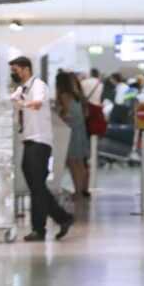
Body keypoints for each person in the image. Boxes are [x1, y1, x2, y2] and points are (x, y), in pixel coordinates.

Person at [10, 56, 74, 242]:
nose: (14, 74)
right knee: (36, 186)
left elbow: (37, 103)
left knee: (37, 187)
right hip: (29, 140)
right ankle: (62, 217)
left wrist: (22, 104)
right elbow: (10, 101)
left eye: (16, 70)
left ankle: (39, 229)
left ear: (26, 69)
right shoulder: (22, 89)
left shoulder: (38, 85)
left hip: (40, 141)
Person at [56, 71, 91, 199]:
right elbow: (85, 114)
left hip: (71, 133)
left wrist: (58, 113)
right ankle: (81, 189)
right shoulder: (78, 96)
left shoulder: (64, 96)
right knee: (80, 162)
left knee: (73, 163)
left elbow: (66, 115)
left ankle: (77, 191)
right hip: (80, 131)